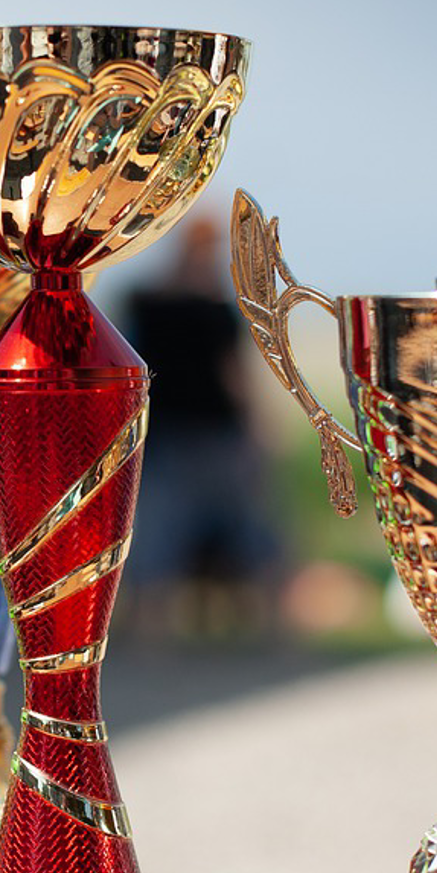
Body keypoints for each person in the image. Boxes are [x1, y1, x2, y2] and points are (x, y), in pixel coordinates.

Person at [122, 213, 282, 637]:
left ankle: (264, 628)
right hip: (175, 437)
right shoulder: (161, 305)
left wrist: (254, 428)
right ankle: (150, 630)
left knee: (244, 532)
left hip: (207, 436)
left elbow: (234, 376)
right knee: (162, 534)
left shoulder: (196, 308)